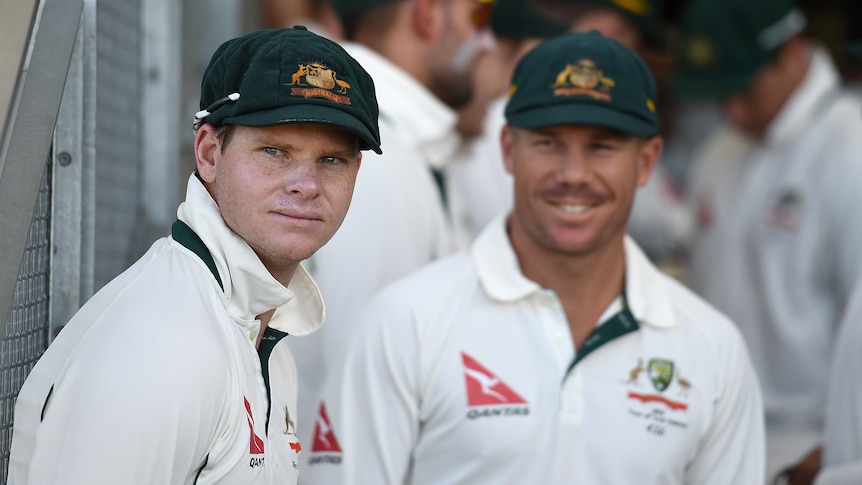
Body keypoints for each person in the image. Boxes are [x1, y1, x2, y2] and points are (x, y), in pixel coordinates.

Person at [303, 30, 765, 484]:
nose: (573, 174)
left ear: (647, 162)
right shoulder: (404, 323)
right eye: (548, 142)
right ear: (507, 149)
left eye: (601, 146)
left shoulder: (712, 349)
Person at [7, 26, 380, 484]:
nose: (307, 184)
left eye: (331, 160)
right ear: (209, 154)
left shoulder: (257, 324)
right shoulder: (160, 345)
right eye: (274, 151)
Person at [288, 0, 496, 463]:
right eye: (478, 17)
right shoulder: (376, 156)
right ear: (427, 15)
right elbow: (360, 391)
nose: (488, 42)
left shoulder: (395, 144)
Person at [672, 0, 862, 482]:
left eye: (744, 87)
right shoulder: (717, 151)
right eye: (719, 93)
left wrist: (837, 456)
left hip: (808, 444)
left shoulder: (850, 150)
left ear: (792, 51)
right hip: (704, 431)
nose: (731, 108)